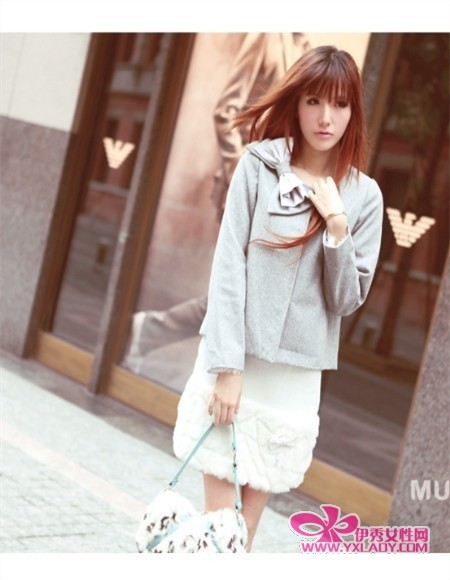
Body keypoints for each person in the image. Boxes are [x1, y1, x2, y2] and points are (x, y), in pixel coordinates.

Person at [172, 45, 384, 553]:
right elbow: (229, 270)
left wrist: (337, 227)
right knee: (218, 530)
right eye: (314, 101)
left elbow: (345, 301)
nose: (326, 117)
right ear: (297, 104)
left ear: (353, 111)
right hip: (235, 364)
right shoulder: (258, 167)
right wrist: (227, 367)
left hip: (292, 382)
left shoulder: (365, 197)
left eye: (339, 104)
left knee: (241, 539)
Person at [123, 33, 311, 374]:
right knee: (239, 291)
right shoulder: (267, 36)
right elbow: (225, 110)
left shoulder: (307, 50)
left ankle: (151, 331)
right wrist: (241, 170)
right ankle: (161, 339)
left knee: (245, 292)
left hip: (277, 193)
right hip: (246, 187)